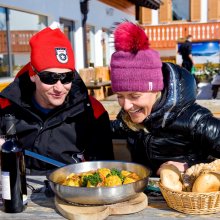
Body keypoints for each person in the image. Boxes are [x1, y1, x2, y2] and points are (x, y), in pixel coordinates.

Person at [0, 22, 114, 174]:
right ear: (33, 75)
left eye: (67, 77)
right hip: (17, 189)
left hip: (72, 191)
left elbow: (104, 170)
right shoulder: (6, 106)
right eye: (50, 78)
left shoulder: (92, 112)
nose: (59, 88)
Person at [110, 21, 220, 176]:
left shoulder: (195, 120)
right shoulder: (128, 120)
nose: (126, 106)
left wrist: (191, 167)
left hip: (184, 197)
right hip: (143, 195)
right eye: (120, 96)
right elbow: (108, 129)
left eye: (135, 95)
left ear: (156, 90)